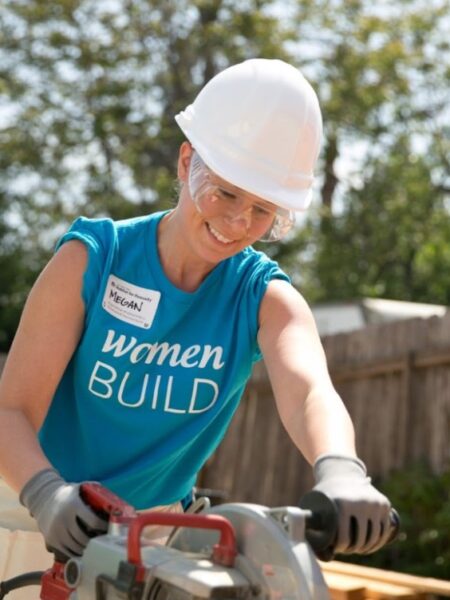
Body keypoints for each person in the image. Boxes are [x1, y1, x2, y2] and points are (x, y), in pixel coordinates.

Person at [0, 58, 392, 584]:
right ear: (187, 163)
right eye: (226, 192)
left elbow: (308, 392)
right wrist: (45, 493)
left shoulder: (262, 296)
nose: (237, 222)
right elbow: (10, 408)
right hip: (28, 511)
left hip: (155, 536)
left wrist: (341, 468)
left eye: (261, 210)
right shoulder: (95, 258)